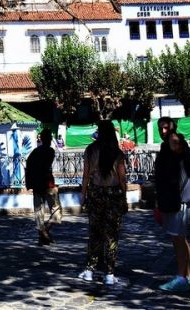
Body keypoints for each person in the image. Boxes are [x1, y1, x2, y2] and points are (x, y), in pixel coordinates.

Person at [79, 120, 128, 286]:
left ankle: (89, 270)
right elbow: (122, 178)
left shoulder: (90, 150)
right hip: (113, 195)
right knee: (112, 235)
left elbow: (86, 176)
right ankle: (109, 273)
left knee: (95, 233)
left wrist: (83, 196)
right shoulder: (117, 153)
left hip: (95, 194)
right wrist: (125, 197)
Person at [155, 130, 190, 293]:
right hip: (178, 203)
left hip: (179, 203)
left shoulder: (180, 159)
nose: (175, 145)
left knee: (179, 241)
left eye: (177, 142)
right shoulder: (176, 158)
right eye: (172, 142)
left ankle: (181, 277)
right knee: (180, 240)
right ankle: (188, 276)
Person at [26, 129, 62, 245]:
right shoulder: (50, 151)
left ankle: (42, 234)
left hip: (37, 185)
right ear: (50, 139)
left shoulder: (35, 152)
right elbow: (46, 166)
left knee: (38, 212)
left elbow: (29, 167)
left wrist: (30, 183)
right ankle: (45, 231)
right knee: (57, 210)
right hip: (47, 184)